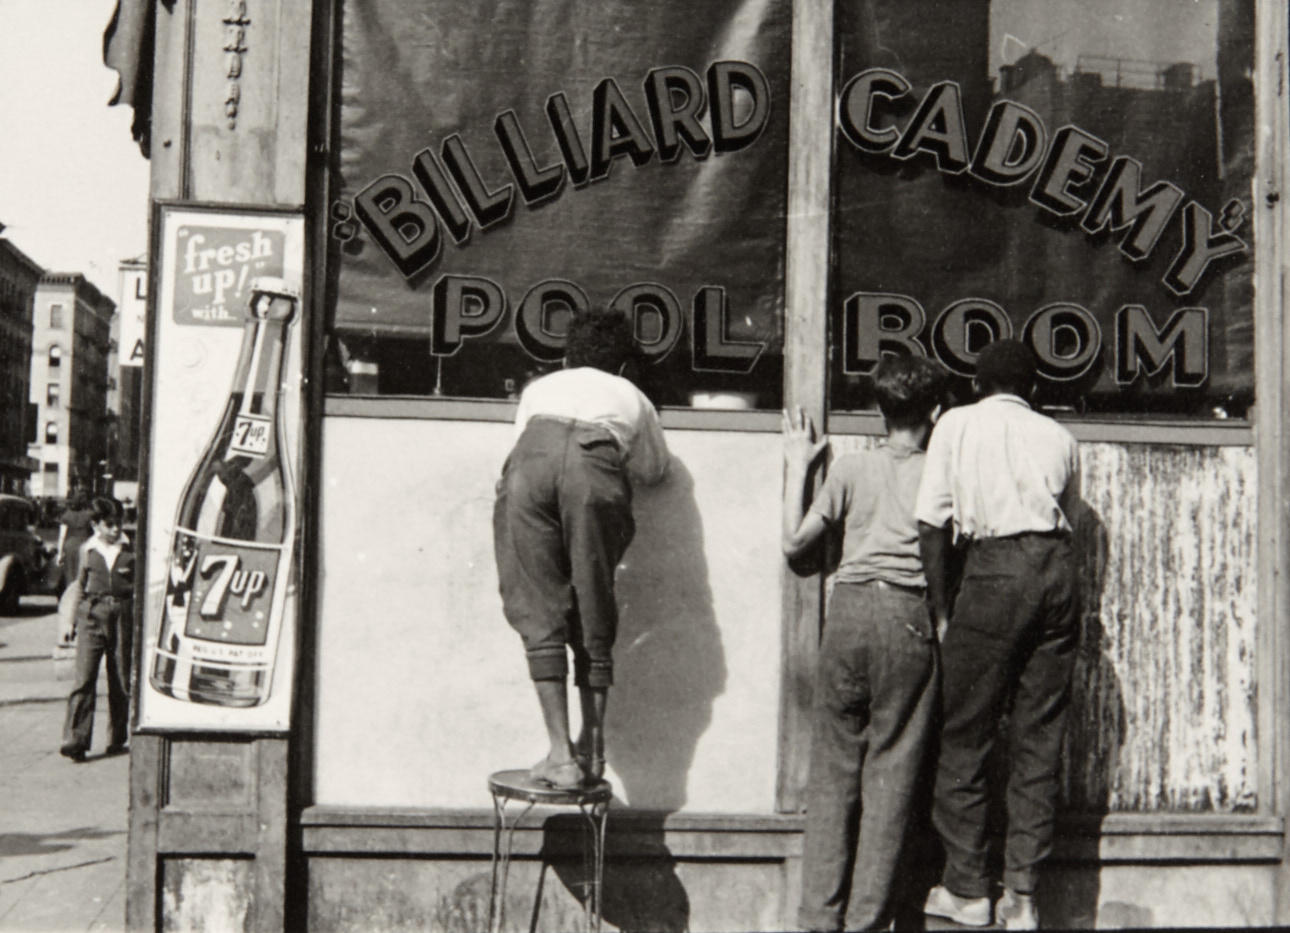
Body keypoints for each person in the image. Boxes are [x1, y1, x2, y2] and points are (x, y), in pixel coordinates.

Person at [915, 339, 1080, 931]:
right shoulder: (1058, 436)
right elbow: (1069, 513)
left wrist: (941, 610)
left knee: (964, 733)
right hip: (1058, 572)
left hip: (996, 572)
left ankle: (965, 887)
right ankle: (1024, 896)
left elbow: (931, 524)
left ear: (979, 385)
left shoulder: (957, 423)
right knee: (1039, 739)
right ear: (1032, 389)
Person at [783, 354, 948, 932]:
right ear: (934, 410)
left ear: (880, 411)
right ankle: (867, 925)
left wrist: (798, 466)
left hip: (848, 612)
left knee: (832, 774)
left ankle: (816, 920)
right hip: (908, 616)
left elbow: (793, 543)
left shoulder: (850, 468)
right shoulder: (939, 473)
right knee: (891, 780)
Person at [493, 309, 669, 790]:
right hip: (596, 465)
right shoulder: (633, 396)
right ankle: (592, 751)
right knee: (594, 606)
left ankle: (560, 755)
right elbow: (655, 471)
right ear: (622, 365)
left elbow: (519, 450)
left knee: (537, 605)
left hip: (533, 462)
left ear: (568, 357)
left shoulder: (539, 390)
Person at [59, 497, 134, 762]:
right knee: (84, 679)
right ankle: (76, 741)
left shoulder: (130, 549)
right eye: (109, 524)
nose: (116, 529)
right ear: (95, 525)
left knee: (121, 678)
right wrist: (69, 621)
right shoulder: (86, 550)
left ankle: (117, 737)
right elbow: (78, 586)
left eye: (119, 524)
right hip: (91, 614)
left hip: (122, 615)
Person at [56, 489, 93, 585]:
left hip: (70, 545)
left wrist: (59, 553)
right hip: (85, 544)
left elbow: (62, 536)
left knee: (70, 572)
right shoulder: (89, 515)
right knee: (83, 572)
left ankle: (70, 593)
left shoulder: (66, 515)